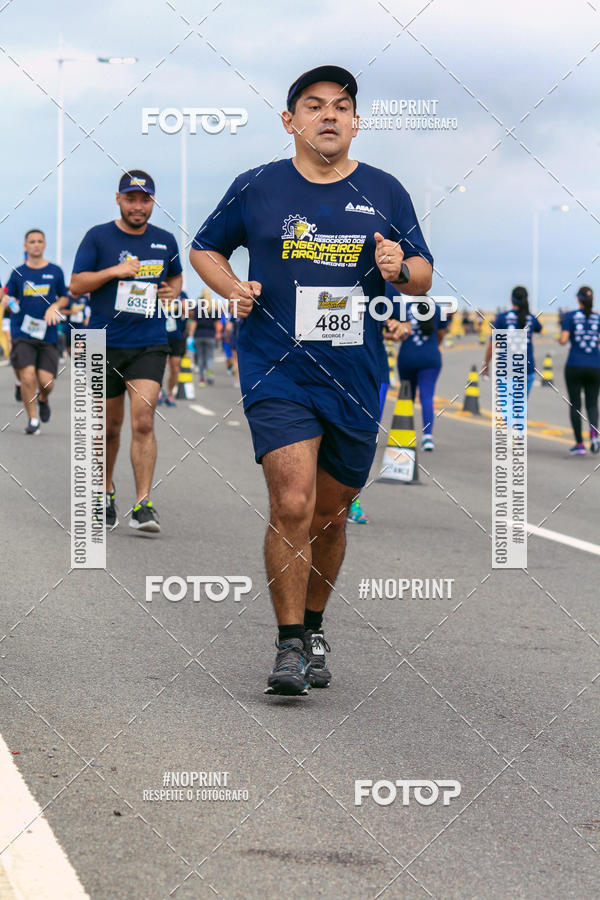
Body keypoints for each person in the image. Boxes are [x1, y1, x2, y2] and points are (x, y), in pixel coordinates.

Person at [190, 65, 432, 696]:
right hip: (277, 368)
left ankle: (316, 626)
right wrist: (233, 287)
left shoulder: (386, 191)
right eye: (315, 105)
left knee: (329, 516)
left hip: (354, 375)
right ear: (290, 120)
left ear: (356, 122)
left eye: (342, 106)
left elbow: (423, 274)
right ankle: (289, 643)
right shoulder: (256, 187)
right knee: (291, 502)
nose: (329, 114)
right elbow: (205, 249)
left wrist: (398, 266)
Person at [70, 169, 182, 531]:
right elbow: (76, 285)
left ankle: (143, 504)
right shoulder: (98, 237)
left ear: (152, 202)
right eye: (131, 199)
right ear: (118, 199)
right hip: (102, 343)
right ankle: (105, 492)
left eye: (144, 199)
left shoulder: (165, 241)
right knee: (108, 428)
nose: (138, 206)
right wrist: (115, 271)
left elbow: (176, 274)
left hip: (148, 342)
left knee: (143, 421)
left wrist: (173, 290)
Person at [4, 229, 68, 434]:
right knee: (28, 376)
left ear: (45, 244)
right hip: (22, 333)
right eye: (32, 241)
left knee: (46, 383)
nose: (36, 245)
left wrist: (55, 306)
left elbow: (65, 297)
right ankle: (32, 419)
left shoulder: (56, 271)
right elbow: (7, 296)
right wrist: (7, 300)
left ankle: (43, 398)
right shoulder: (18, 273)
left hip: (48, 334)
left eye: (40, 241)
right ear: (25, 246)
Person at [393, 291, 448, 451]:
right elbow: (440, 335)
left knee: (406, 397)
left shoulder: (405, 309)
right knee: (427, 396)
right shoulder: (437, 310)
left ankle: (403, 434)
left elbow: (399, 333)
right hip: (430, 358)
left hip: (407, 358)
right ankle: (428, 437)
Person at [559, 286, 600, 455]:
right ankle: (594, 435)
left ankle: (579, 444)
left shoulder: (569, 316)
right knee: (592, 403)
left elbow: (563, 339)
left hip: (575, 364)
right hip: (595, 365)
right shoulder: (598, 318)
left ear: (578, 299)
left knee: (575, 404)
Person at [482, 286, 542, 396]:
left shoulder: (501, 318)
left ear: (511, 299)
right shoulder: (531, 318)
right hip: (527, 369)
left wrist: (485, 364)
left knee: (508, 410)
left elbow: (492, 345)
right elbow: (539, 328)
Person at [159, 289, 189, 406]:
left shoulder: (181, 294)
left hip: (176, 336)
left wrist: (184, 308)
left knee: (175, 367)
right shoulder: (159, 290)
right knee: (158, 367)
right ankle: (158, 392)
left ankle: (169, 393)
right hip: (159, 336)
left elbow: (188, 314)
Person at [189, 287, 218, 386]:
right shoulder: (213, 307)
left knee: (200, 358)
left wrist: (191, 335)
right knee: (209, 357)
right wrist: (218, 334)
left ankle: (201, 379)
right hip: (210, 335)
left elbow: (194, 323)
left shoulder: (198, 307)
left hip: (199, 335)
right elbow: (217, 324)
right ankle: (209, 375)